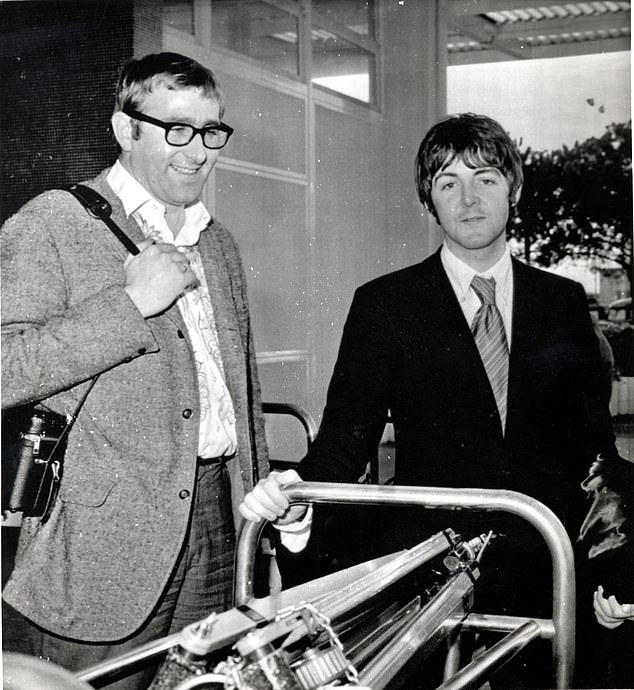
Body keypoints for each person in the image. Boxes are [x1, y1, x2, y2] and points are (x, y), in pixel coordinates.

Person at [240, 113, 623, 688]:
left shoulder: (563, 301)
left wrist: (615, 570)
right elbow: (346, 439)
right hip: (430, 565)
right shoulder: (385, 305)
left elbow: (595, 455)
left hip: (545, 563)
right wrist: (301, 498)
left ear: (513, 189)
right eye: (448, 183)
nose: (469, 199)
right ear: (429, 201)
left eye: (486, 179)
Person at [1, 52, 269, 689]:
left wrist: (260, 507)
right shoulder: (53, 223)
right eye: (177, 129)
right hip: (102, 543)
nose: (198, 151)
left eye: (211, 131)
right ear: (127, 129)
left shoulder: (218, 243)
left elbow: (240, 395)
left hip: (218, 526)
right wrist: (128, 305)